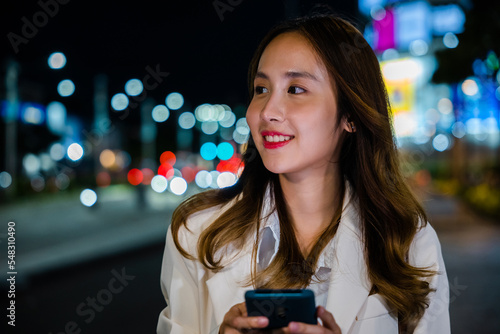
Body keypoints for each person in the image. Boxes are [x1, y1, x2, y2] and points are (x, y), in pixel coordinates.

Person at [157, 13, 450, 334]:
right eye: (261, 88)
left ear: (350, 115)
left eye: (296, 89)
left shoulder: (407, 241)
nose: (267, 111)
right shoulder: (197, 233)